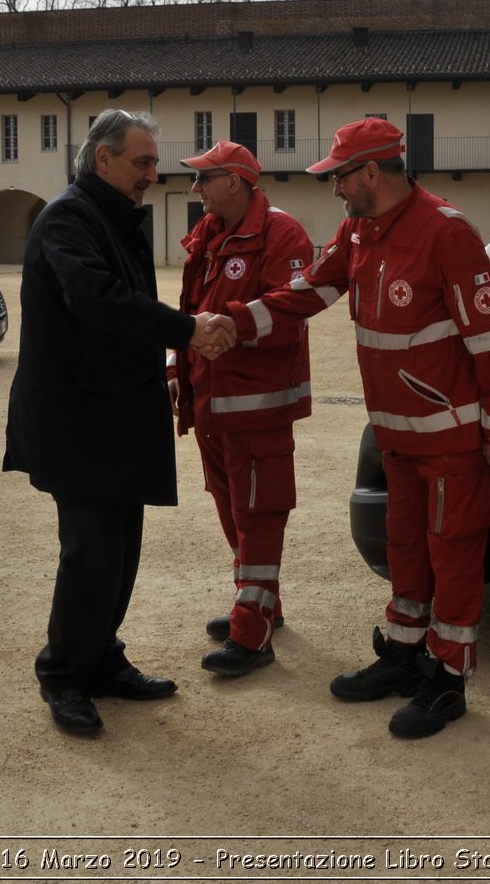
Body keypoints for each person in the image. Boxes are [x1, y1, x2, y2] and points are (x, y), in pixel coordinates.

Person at [221, 118, 490, 738]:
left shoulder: (446, 232)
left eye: (338, 176)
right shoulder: (358, 230)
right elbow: (309, 290)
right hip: (397, 437)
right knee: (407, 547)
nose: (333, 188)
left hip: (450, 438)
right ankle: (407, 652)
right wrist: (233, 321)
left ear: (370, 173)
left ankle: (447, 679)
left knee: (454, 553)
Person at [3, 109, 232, 735]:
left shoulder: (110, 216)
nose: (153, 176)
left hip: (114, 414)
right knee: (90, 551)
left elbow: (122, 305)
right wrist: (187, 331)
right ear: (102, 160)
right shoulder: (69, 218)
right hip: (76, 419)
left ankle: (102, 658)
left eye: (155, 164)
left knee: (120, 549)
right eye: (142, 163)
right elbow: (97, 299)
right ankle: (63, 675)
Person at [172, 141, 315, 678]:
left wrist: (228, 328)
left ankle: (252, 634)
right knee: (234, 510)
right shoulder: (209, 236)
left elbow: (291, 315)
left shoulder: (283, 234)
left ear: (234, 181)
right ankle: (259, 603)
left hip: (256, 408)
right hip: (212, 406)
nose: (195, 188)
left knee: (257, 515)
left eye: (204, 178)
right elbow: (189, 313)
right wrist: (176, 368)